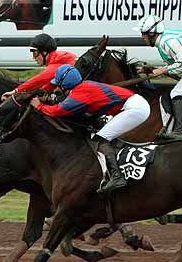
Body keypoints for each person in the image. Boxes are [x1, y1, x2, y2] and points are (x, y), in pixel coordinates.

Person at [30, 64, 150, 193]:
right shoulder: (83, 86)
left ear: (65, 83)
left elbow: (58, 111)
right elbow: (67, 102)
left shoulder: (79, 94)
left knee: (100, 138)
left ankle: (117, 176)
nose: (58, 87)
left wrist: (39, 106)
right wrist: (48, 99)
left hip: (135, 109)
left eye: (59, 84)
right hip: (134, 105)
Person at [1, 33, 77, 99]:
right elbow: (47, 84)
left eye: (35, 53)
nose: (34, 57)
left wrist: (15, 91)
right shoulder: (59, 57)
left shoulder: (57, 62)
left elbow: (38, 80)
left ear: (44, 52)